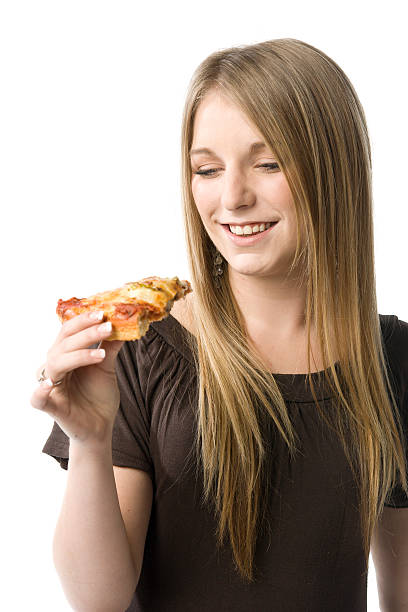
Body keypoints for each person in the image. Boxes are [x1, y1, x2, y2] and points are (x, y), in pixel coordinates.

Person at [32, 38, 408, 612]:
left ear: (334, 170)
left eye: (268, 163)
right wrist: (89, 442)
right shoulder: (137, 350)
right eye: (207, 169)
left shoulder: (393, 359)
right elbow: (96, 599)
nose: (232, 196)